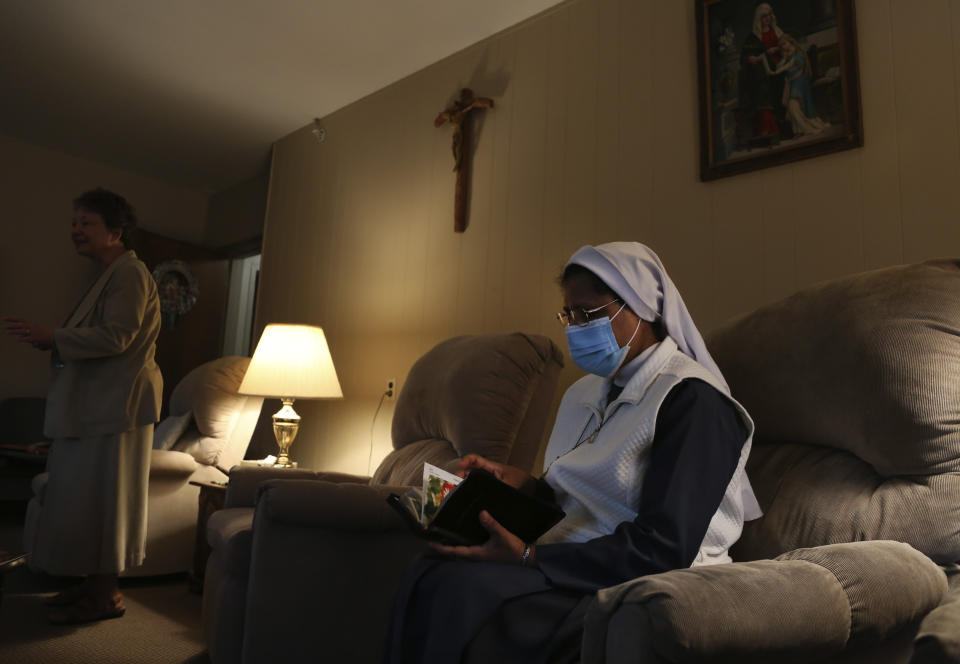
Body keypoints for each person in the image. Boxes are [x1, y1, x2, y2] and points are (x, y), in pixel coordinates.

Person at [384, 242, 761, 663]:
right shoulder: (583, 393)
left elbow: (665, 547)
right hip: (565, 558)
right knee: (427, 567)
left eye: (590, 314)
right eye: (570, 316)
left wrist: (529, 557)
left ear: (642, 308)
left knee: (460, 588)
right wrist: (517, 482)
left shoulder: (694, 401)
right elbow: (577, 496)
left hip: (638, 578)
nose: (577, 329)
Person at [3, 188, 162, 624]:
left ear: (115, 231)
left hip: (117, 408)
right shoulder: (109, 276)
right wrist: (52, 339)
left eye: (86, 222)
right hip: (99, 406)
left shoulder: (130, 274)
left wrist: (53, 335)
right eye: (74, 222)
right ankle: (93, 585)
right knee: (86, 498)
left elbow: (119, 336)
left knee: (107, 498)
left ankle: (107, 594)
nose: (76, 230)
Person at [738, 2, 787, 143]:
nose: (768, 18)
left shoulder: (777, 31)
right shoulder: (753, 37)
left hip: (780, 68)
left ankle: (784, 130)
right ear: (759, 19)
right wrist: (752, 58)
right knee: (763, 91)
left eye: (769, 15)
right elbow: (745, 57)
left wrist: (776, 50)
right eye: (764, 16)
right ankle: (771, 130)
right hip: (763, 74)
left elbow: (789, 45)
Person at [764, 33, 831, 136]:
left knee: (793, 104)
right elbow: (779, 66)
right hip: (793, 83)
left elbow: (787, 66)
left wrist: (776, 72)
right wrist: (782, 57)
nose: (783, 47)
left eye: (784, 44)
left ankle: (808, 128)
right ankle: (800, 130)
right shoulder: (787, 54)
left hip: (800, 82)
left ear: (790, 42)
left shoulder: (798, 53)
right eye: (781, 46)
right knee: (793, 106)